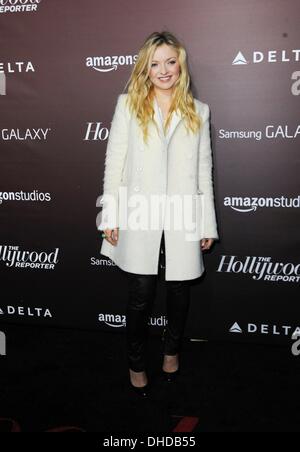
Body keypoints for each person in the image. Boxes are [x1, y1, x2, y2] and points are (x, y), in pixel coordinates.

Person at [98, 31, 219, 397]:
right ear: (144, 68)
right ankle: (136, 361)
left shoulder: (199, 111)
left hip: (183, 212)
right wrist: (110, 216)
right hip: (139, 210)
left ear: (180, 64)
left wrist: (206, 221)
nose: (163, 70)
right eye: (154, 63)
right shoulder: (128, 104)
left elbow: (203, 172)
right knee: (141, 291)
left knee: (180, 289)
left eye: (170, 61)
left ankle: (171, 352)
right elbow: (114, 162)